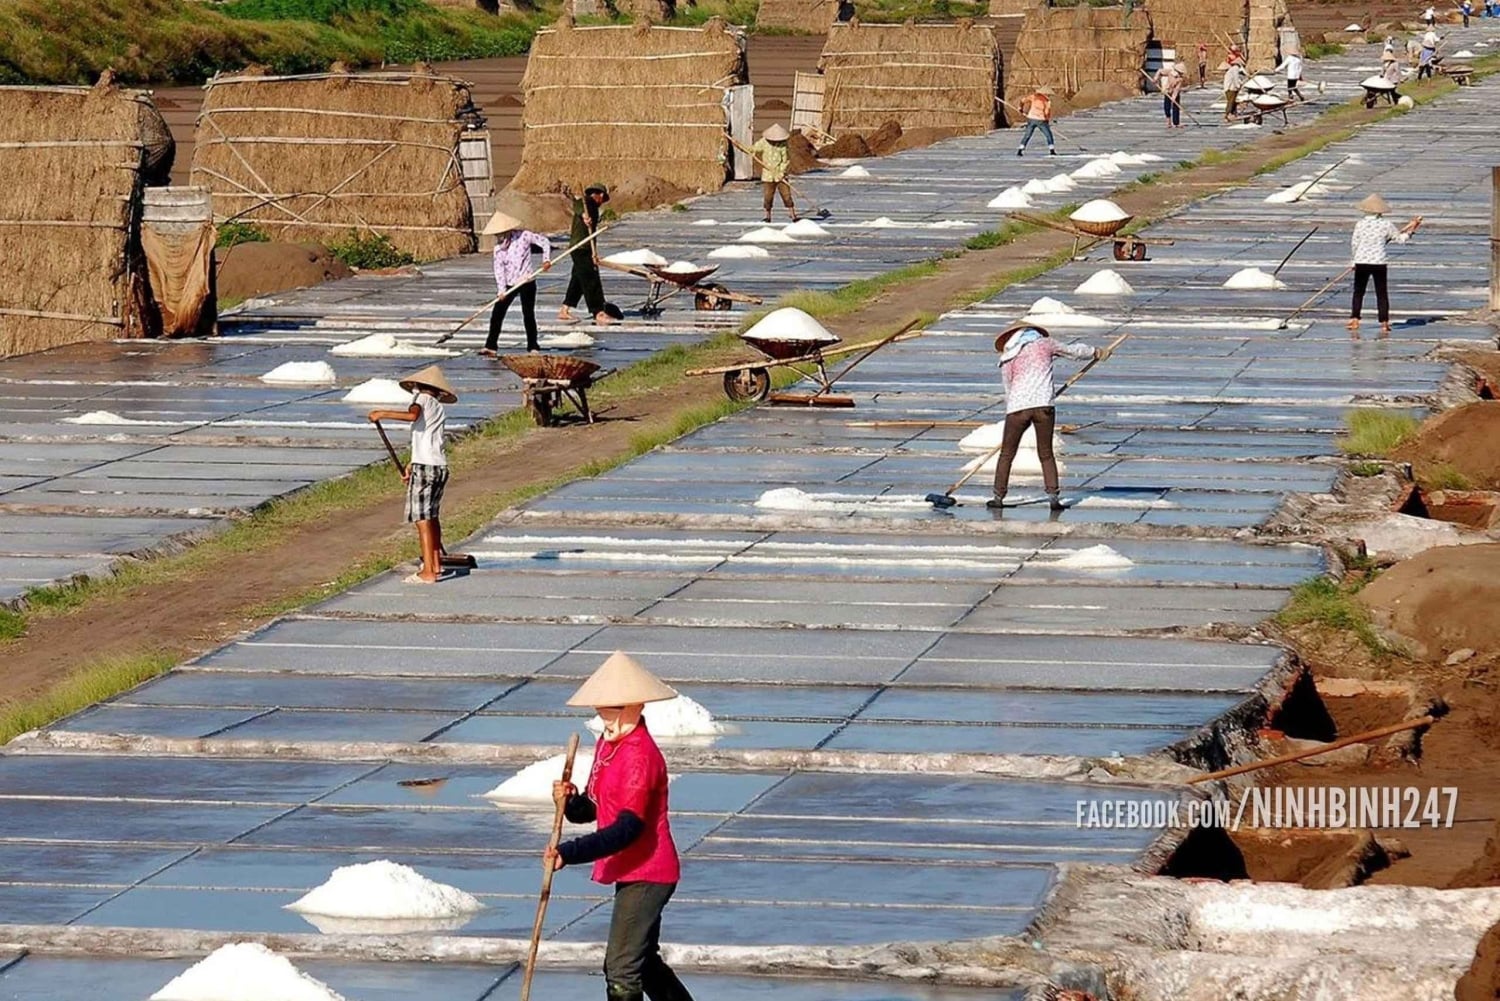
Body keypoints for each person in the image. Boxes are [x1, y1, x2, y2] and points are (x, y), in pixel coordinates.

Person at [548, 651, 694, 1001]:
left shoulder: (640, 757)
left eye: (613, 717)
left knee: (621, 966)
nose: (607, 725)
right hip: (632, 868)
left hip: (649, 871)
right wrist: (569, 802)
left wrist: (570, 852)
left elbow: (627, 829)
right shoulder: (608, 745)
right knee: (642, 961)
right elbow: (596, 807)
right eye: (603, 717)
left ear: (635, 708)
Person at [987, 325, 1109, 511]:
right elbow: (1074, 351)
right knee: (1045, 453)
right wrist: (1096, 352)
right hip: (1044, 406)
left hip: (1017, 409)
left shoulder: (1007, 357)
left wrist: (1012, 411)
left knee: (1006, 454)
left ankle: (998, 497)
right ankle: (1053, 498)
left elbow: (1008, 389)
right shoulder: (1044, 344)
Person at [368, 366, 456, 584]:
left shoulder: (421, 399)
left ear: (420, 387)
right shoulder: (437, 407)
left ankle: (428, 573)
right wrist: (411, 463)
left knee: (422, 519)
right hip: (438, 466)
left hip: (425, 468)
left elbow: (411, 415)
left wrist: (382, 413)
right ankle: (435, 563)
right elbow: (429, 439)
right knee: (432, 516)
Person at [1348, 193, 1422, 337]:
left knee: (1358, 292)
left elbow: (1355, 244)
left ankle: (1355, 319)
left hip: (1362, 261)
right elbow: (1400, 239)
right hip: (1379, 262)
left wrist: (1353, 261)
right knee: (1381, 293)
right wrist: (1412, 230)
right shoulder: (1386, 224)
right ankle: (1384, 323)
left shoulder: (1360, 224)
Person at [480, 211, 551, 356]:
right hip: (509, 284)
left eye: (501, 233)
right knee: (497, 313)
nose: (499, 237)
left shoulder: (523, 236)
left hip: (526, 280)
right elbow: (498, 270)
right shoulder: (498, 249)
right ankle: (491, 345)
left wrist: (546, 260)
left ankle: (533, 346)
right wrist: (501, 290)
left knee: (528, 314)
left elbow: (544, 242)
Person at [559, 183, 616, 327]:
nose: (601, 203)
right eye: (602, 200)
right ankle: (597, 311)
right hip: (580, 247)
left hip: (586, 247)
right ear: (600, 195)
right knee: (591, 278)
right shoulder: (586, 202)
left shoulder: (593, 208)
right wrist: (585, 216)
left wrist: (594, 252)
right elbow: (578, 206)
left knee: (578, 280)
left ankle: (564, 309)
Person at [750, 124, 798, 224]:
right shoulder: (764, 142)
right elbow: (754, 148)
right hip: (768, 175)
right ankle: (768, 216)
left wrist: (781, 171)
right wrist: (747, 149)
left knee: (787, 195)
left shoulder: (783, 145)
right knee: (768, 197)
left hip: (781, 176)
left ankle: (793, 215)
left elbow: (785, 160)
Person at [1015, 86, 1056, 156]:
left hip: (1031, 118)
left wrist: (1020, 108)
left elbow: (1022, 100)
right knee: (1048, 135)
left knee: (1027, 135)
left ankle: (1020, 150)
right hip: (1041, 120)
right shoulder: (1047, 101)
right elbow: (1047, 112)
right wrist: (1047, 121)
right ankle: (1052, 150)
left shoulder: (1034, 96)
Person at [1154, 62, 1185, 127]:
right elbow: (1160, 71)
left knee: (1175, 107)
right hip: (1168, 91)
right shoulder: (1170, 72)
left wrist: (1173, 97)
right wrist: (1156, 78)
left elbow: (1177, 89)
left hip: (1175, 93)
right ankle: (1168, 121)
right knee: (1167, 107)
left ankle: (1176, 123)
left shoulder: (1180, 79)